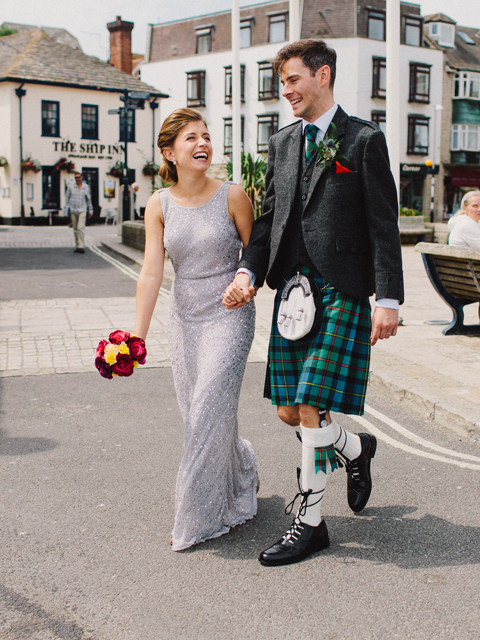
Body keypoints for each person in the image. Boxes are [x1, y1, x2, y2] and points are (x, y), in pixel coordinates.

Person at [224, 39, 403, 567]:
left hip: (342, 288)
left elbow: (384, 225)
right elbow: (268, 222)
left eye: (294, 80)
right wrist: (247, 272)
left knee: (308, 406)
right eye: (282, 83)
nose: (286, 91)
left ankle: (310, 524)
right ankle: (354, 448)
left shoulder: (363, 140)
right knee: (289, 412)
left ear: (322, 75)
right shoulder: (281, 143)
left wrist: (387, 298)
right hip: (293, 294)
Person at [133, 108, 258, 551]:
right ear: (170, 152)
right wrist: (137, 336)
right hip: (184, 318)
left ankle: (197, 519)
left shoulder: (233, 195)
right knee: (198, 416)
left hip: (229, 316)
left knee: (207, 409)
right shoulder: (158, 204)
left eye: (206, 136)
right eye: (191, 138)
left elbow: (255, 253)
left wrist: (247, 283)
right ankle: (241, 470)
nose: (202, 143)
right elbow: (151, 273)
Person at [64, 172, 92, 253]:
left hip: (82, 209)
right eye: (76, 177)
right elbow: (67, 198)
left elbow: (88, 199)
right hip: (73, 209)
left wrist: (90, 210)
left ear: (81, 177)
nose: (77, 179)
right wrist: (66, 209)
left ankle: (81, 246)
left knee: (80, 228)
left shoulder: (86, 187)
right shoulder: (70, 187)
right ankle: (77, 245)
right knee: (75, 228)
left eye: (79, 177)